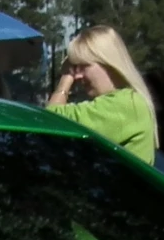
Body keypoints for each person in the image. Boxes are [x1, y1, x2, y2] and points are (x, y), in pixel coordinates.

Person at [44, 26, 157, 164]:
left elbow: (50, 121)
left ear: (108, 64)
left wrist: (66, 78)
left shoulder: (125, 105)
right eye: (74, 68)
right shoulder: (128, 101)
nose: (77, 75)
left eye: (83, 66)